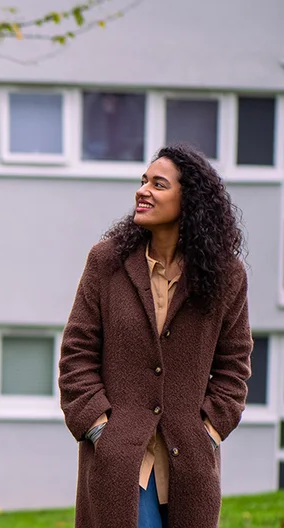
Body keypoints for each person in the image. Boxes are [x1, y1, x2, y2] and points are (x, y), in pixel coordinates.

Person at [58, 144, 253, 528]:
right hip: (121, 460)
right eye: (143, 181)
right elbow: (76, 354)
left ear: (190, 201)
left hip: (189, 464)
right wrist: (101, 430)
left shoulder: (227, 277)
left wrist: (209, 431)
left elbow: (234, 367)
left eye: (158, 184)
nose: (143, 190)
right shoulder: (107, 262)